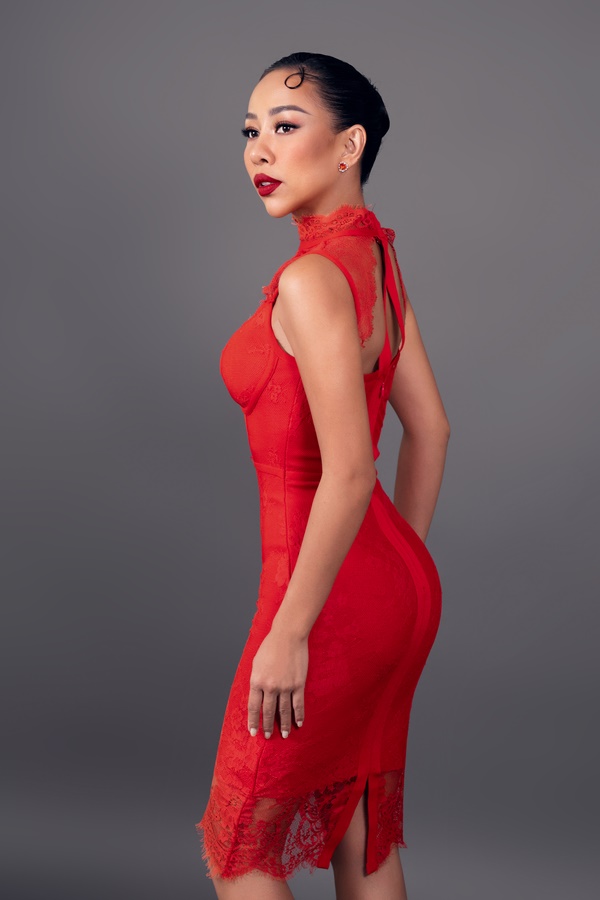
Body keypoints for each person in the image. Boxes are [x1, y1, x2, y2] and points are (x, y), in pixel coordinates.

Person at [196, 52, 450, 900]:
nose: (259, 151)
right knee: (361, 835)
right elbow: (433, 430)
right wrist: (392, 573)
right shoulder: (376, 261)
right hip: (393, 586)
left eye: (285, 126)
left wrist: (293, 630)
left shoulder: (311, 280)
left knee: (242, 853)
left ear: (349, 146)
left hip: (315, 595)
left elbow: (348, 472)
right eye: (250, 132)